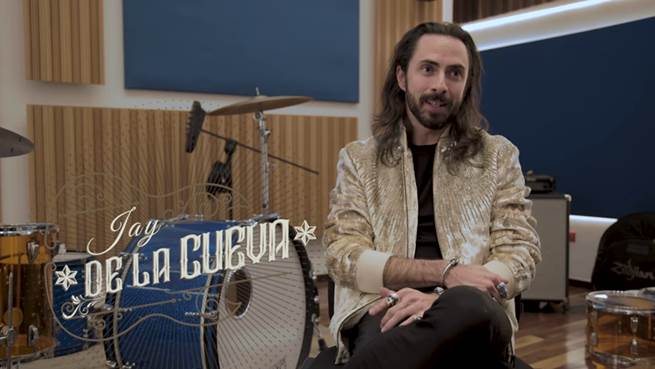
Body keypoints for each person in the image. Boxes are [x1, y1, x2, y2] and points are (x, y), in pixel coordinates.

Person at [323, 22, 541, 368]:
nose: (441, 84)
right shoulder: (359, 160)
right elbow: (342, 254)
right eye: (428, 69)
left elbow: (521, 252)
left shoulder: (498, 155)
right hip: (387, 305)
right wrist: (444, 273)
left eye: (455, 73)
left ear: (466, 84)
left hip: (475, 311)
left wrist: (442, 298)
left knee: (469, 308)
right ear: (402, 78)